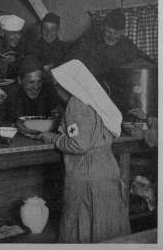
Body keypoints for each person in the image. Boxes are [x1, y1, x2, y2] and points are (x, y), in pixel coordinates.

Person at [37, 60, 130, 243]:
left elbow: (79, 145)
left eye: (57, 86)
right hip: (107, 169)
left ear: (66, 86)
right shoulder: (95, 100)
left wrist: (53, 138)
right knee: (107, 228)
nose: (56, 91)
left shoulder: (76, 104)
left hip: (87, 174)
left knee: (83, 227)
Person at [65, 8, 153, 80]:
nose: (111, 36)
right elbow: (70, 58)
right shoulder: (88, 39)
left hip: (115, 88)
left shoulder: (127, 45)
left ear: (123, 32)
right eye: (108, 31)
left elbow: (144, 60)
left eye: (116, 33)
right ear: (103, 27)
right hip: (87, 84)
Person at [0, 55, 59, 126]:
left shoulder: (48, 94)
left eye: (39, 81)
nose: (36, 87)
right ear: (19, 80)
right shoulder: (6, 95)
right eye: (31, 82)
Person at [0, 14, 26, 78]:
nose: (18, 37)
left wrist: (16, 61)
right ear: (2, 32)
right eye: (13, 33)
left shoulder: (21, 47)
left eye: (19, 33)